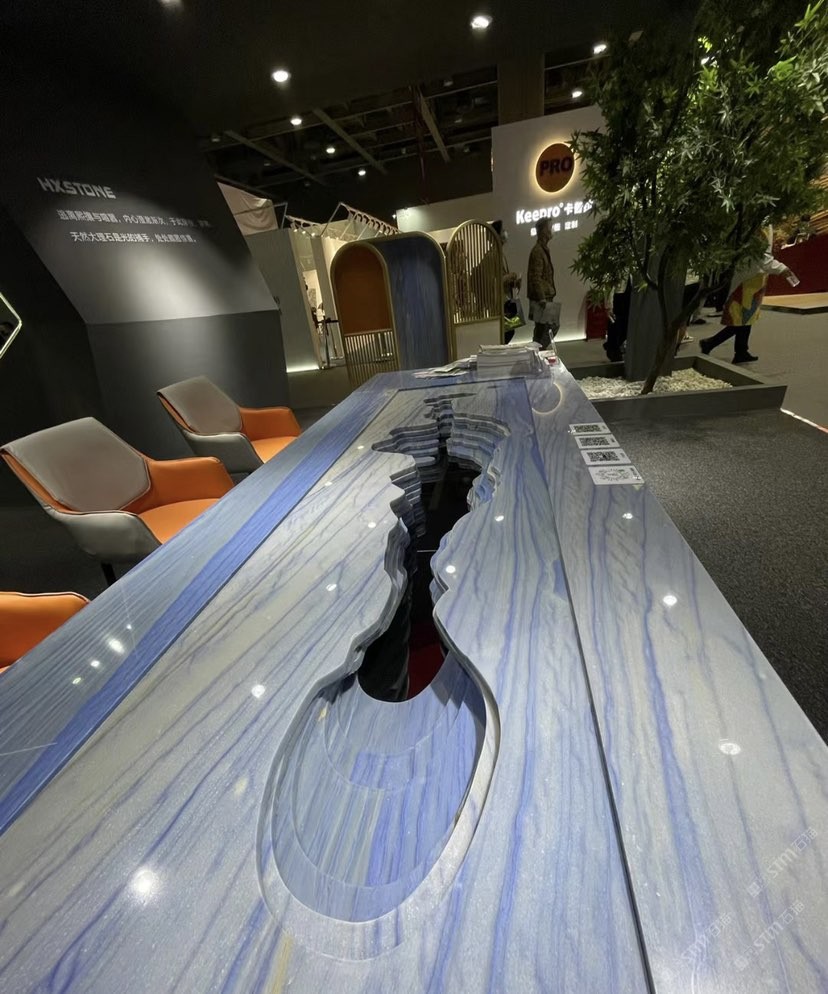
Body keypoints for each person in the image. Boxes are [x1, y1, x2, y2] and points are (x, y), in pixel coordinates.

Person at [700, 234, 797, 363]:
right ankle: (711, 343)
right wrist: (781, 268)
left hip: (753, 278)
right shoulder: (755, 229)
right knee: (742, 318)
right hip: (748, 279)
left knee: (747, 318)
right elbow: (760, 256)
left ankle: (741, 351)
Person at [527, 217, 557, 348]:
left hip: (543, 297)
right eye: (550, 227)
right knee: (549, 326)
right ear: (544, 231)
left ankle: (536, 351)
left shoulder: (542, 250)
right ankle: (538, 350)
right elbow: (536, 277)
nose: (553, 230)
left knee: (541, 330)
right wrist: (542, 298)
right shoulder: (538, 251)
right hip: (541, 299)